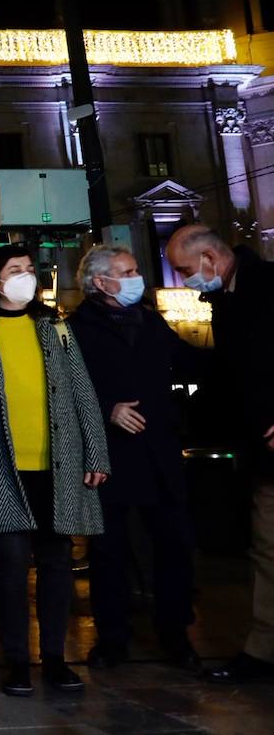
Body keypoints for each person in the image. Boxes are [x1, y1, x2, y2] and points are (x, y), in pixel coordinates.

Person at [0, 245, 110, 697]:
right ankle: (17, 661)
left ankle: (56, 658)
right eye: (15, 270)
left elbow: (83, 390)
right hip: (0, 466)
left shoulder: (55, 326)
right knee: (8, 566)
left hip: (57, 465)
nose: (26, 276)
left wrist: (96, 453)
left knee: (57, 562)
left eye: (28, 269)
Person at [68, 245, 204, 671]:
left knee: (174, 546)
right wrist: (109, 407)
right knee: (109, 552)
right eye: (126, 272)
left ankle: (176, 634)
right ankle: (112, 638)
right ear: (100, 282)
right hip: (110, 457)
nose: (135, 277)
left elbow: (186, 361)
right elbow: (68, 386)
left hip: (159, 451)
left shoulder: (149, 319)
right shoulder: (76, 329)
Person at [165, 224, 274, 683]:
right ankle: (263, 650)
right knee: (268, 549)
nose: (185, 280)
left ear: (210, 257)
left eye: (186, 270)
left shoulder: (267, 285)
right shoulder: (224, 298)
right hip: (261, 451)